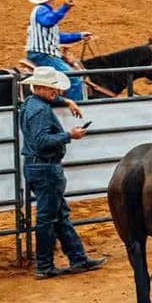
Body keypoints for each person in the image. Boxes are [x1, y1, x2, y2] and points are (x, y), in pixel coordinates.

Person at [20, 66, 107, 279]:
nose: (56, 92)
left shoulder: (31, 104)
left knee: (57, 214)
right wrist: (69, 135)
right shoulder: (40, 111)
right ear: (39, 87)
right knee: (50, 217)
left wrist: (65, 101)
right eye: (52, 89)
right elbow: (42, 142)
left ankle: (77, 258)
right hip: (46, 168)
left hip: (37, 167)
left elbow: (45, 107)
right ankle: (45, 265)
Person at [25, 0, 92, 102]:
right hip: (44, 55)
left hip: (42, 54)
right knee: (74, 79)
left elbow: (57, 37)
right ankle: (74, 109)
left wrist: (79, 35)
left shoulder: (40, 12)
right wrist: (65, 6)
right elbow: (49, 21)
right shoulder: (41, 11)